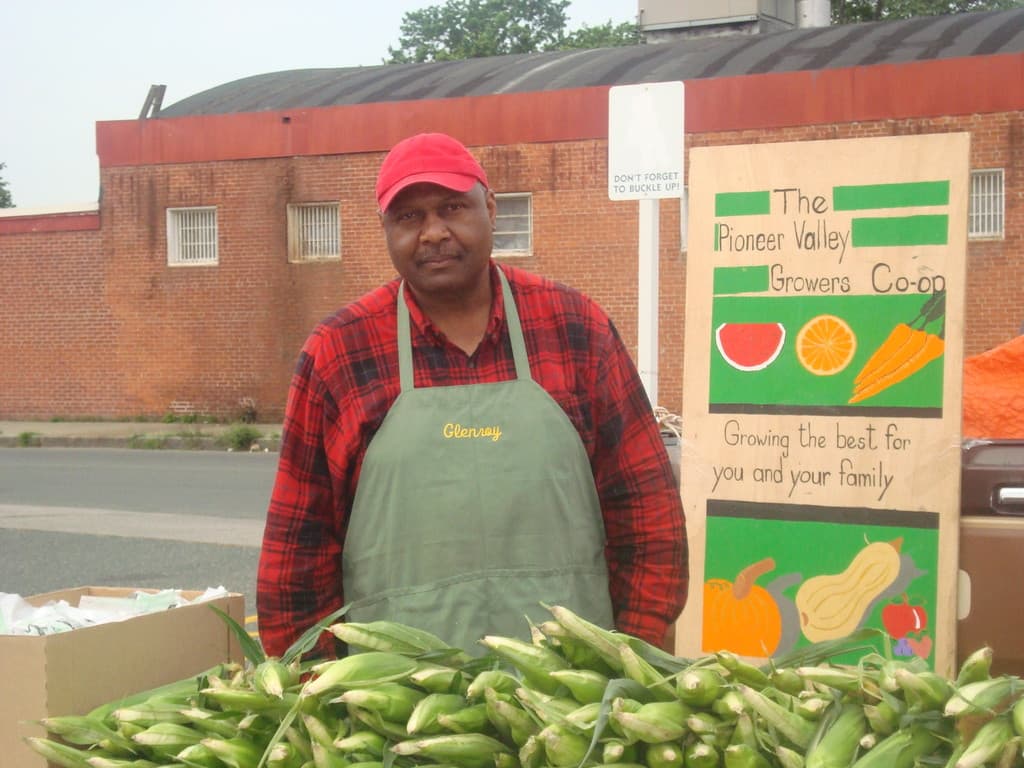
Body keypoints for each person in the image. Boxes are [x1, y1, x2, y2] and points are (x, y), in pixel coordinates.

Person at [257, 132, 688, 659]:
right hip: (399, 710)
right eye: (409, 218)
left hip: (573, 701)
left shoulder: (576, 328)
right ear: (385, 230)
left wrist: (632, 664)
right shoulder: (340, 352)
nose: (433, 233)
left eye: (452, 208)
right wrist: (318, 695)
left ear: (491, 208)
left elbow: (646, 518)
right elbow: (297, 557)